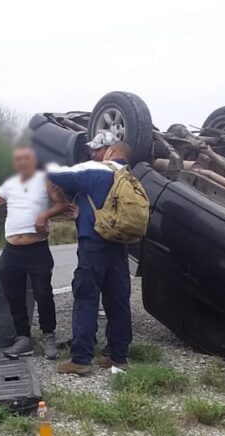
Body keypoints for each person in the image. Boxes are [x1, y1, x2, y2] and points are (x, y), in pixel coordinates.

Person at [46, 141, 134, 375]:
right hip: (118, 244)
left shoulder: (98, 169)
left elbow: (57, 174)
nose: (93, 153)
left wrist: (44, 164)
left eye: (97, 149)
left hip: (94, 245)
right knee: (118, 300)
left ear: (111, 151)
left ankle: (81, 359)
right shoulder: (128, 177)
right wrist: (82, 213)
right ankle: (119, 356)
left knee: (86, 297)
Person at [0, 147, 69, 359]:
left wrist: (44, 215)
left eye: (26, 158)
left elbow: (62, 204)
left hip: (37, 248)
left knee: (43, 294)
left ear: (33, 161)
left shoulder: (45, 179)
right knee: (15, 296)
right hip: (12, 250)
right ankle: (23, 339)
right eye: (18, 159)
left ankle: (49, 335)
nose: (22, 162)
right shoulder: (11, 183)